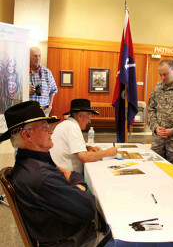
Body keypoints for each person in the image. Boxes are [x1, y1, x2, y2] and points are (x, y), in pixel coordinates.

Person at [0, 101, 107, 246]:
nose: (51, 131)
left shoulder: (30, 163)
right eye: (45, 127)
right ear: (27, 135)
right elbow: (88, 206)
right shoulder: (40, 176)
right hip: (76, 239)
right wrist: (79, 184)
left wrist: (73, 183)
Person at [50, 99, 118, 173]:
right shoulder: (72, 127)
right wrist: (107, 153)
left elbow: (71, 145)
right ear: (79, 116)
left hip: (58, 171)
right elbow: (84, 157)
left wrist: (88, 148)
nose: (89, 121)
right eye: (89, 117)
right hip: (67, 176)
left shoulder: (65, 124)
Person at [29, 47, 58, 117]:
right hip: (27, 112)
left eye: (39, 56)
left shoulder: (47, 72)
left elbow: (53, 91)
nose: (37, 58)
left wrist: (50, 106)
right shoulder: (22, 71)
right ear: (29, 56)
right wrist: (25, 91)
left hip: (43, 112)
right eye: (34, 56)